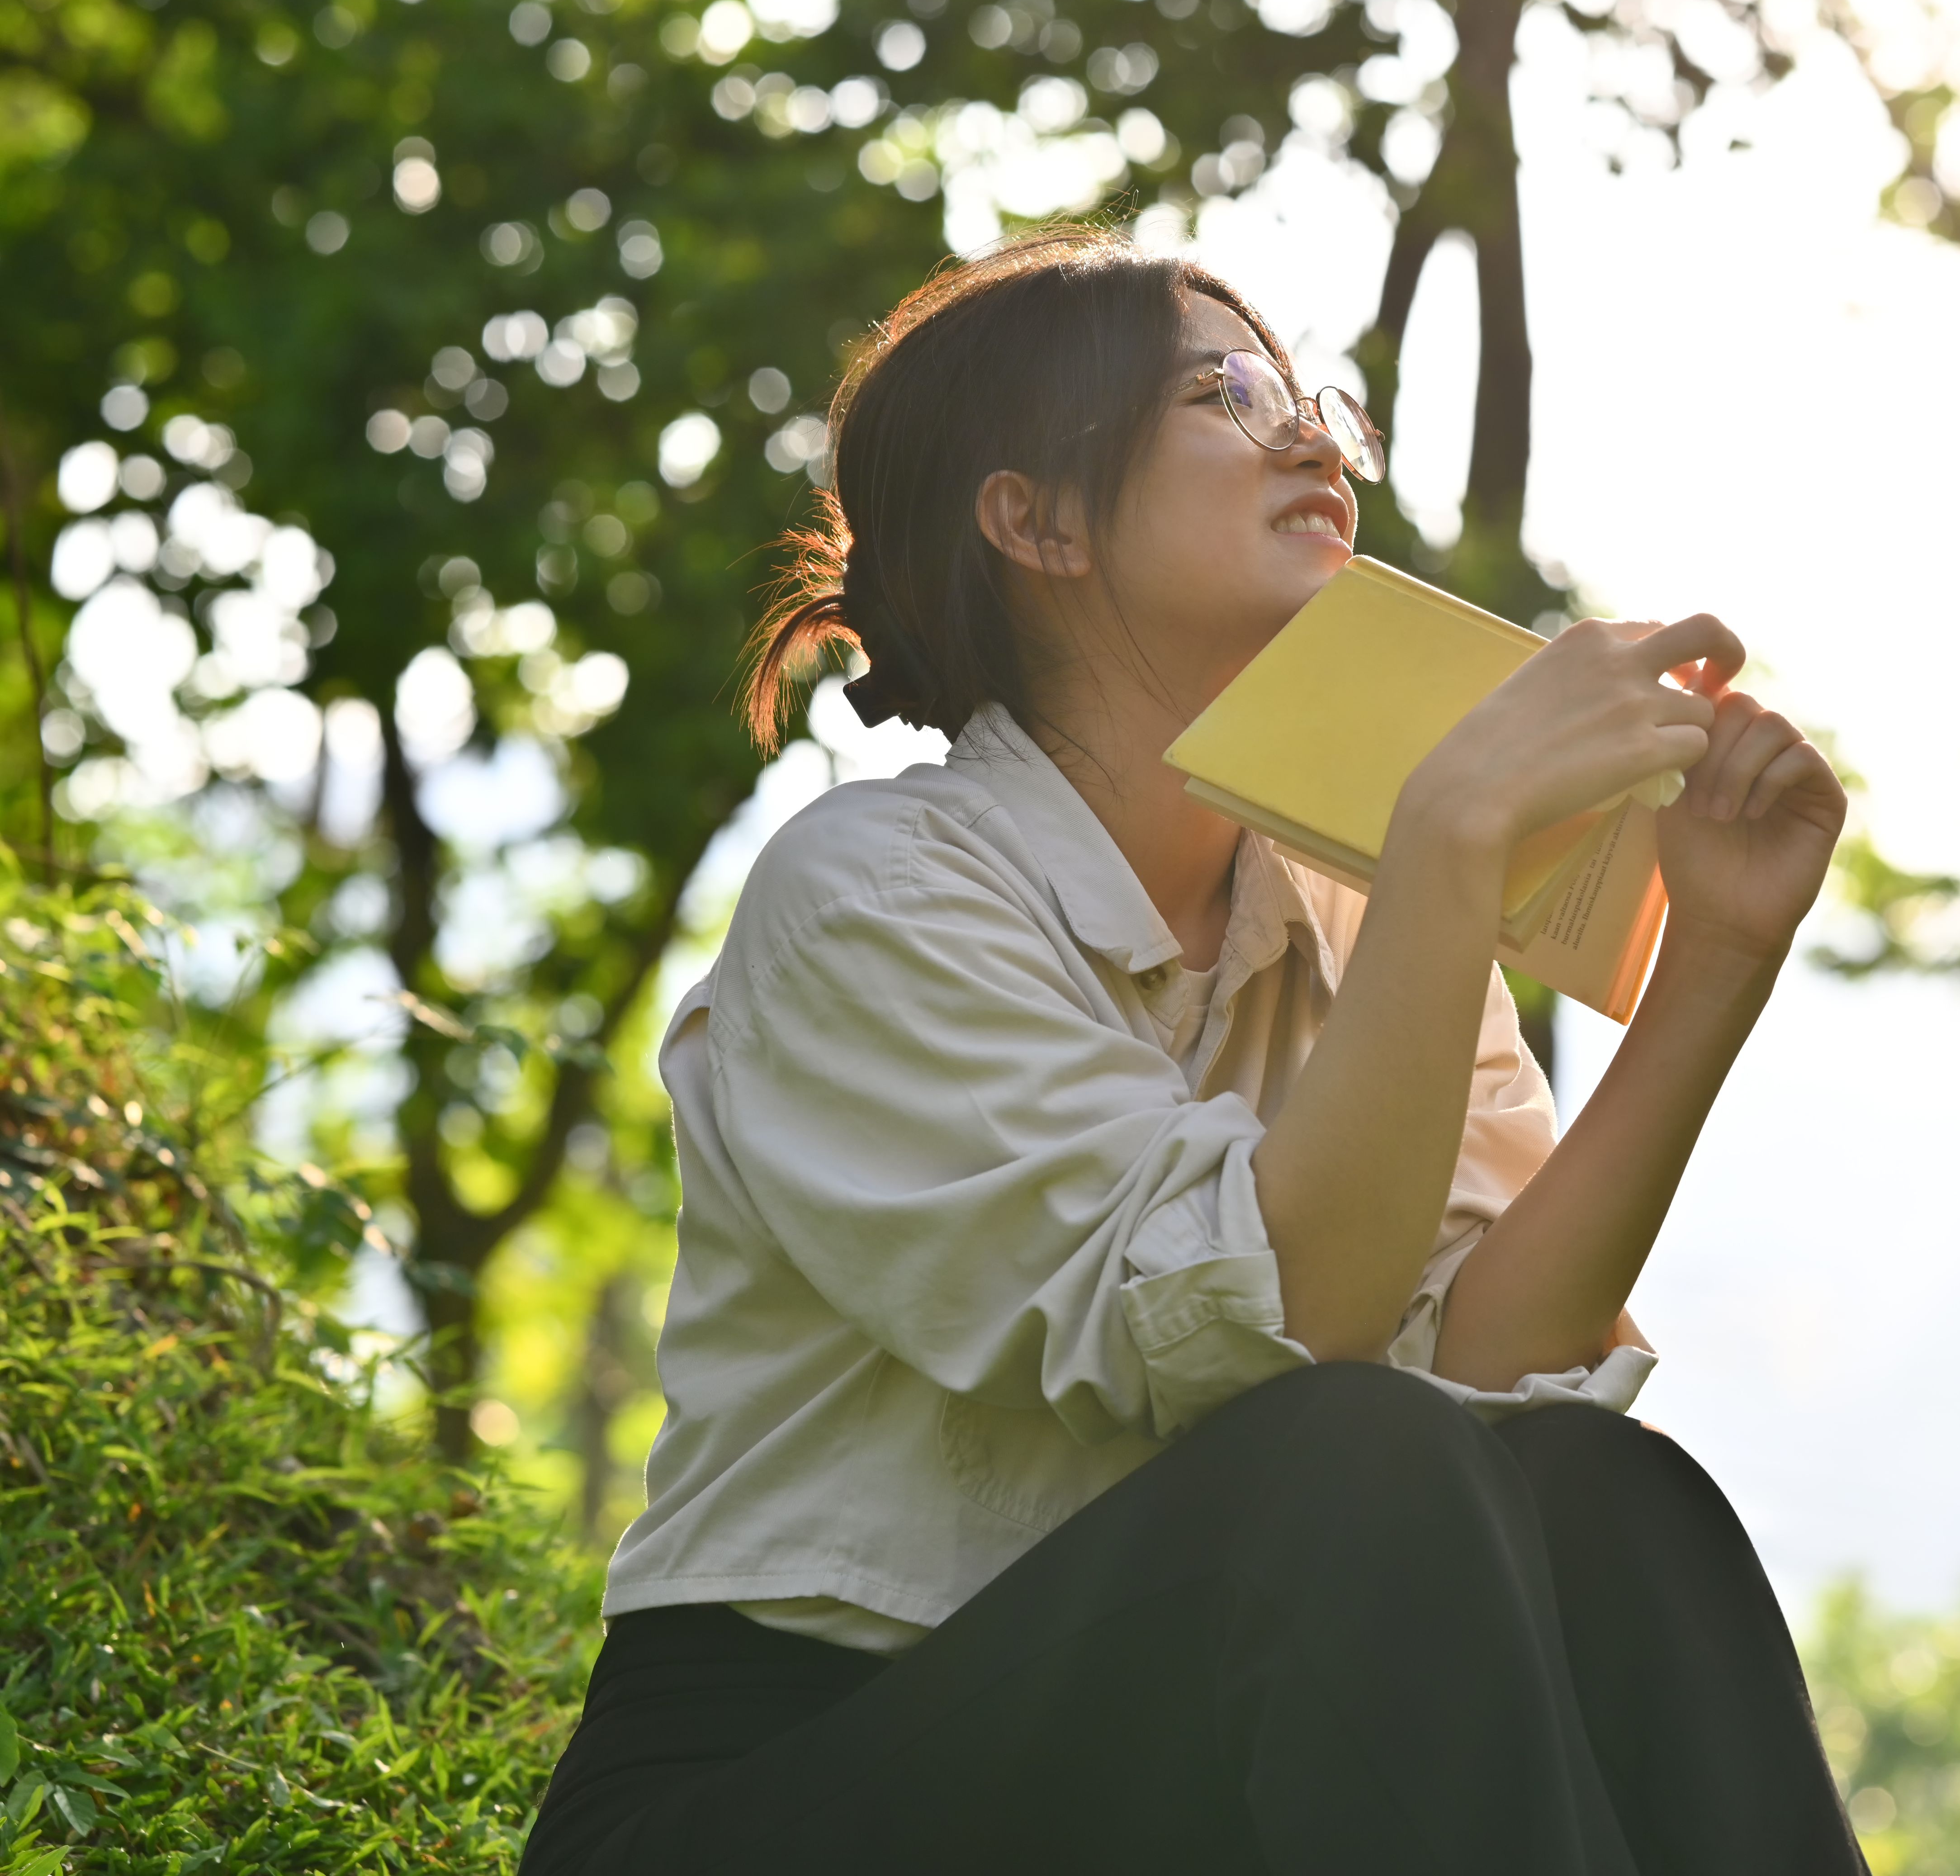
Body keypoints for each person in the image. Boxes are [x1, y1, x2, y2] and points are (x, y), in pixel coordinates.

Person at [521, 225, 1859, 1876]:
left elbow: (1501, 1360)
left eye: (1309, 398)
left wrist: (1717, 958)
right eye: (1226, 395)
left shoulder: (1362, 920)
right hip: (783, 1790)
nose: (1307, 436)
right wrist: (1449, 830)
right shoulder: (872, 890)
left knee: (1608, 1494)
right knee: (1352, 1462)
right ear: (1038, 519)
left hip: (1181, 1746)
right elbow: (1280, 1335)